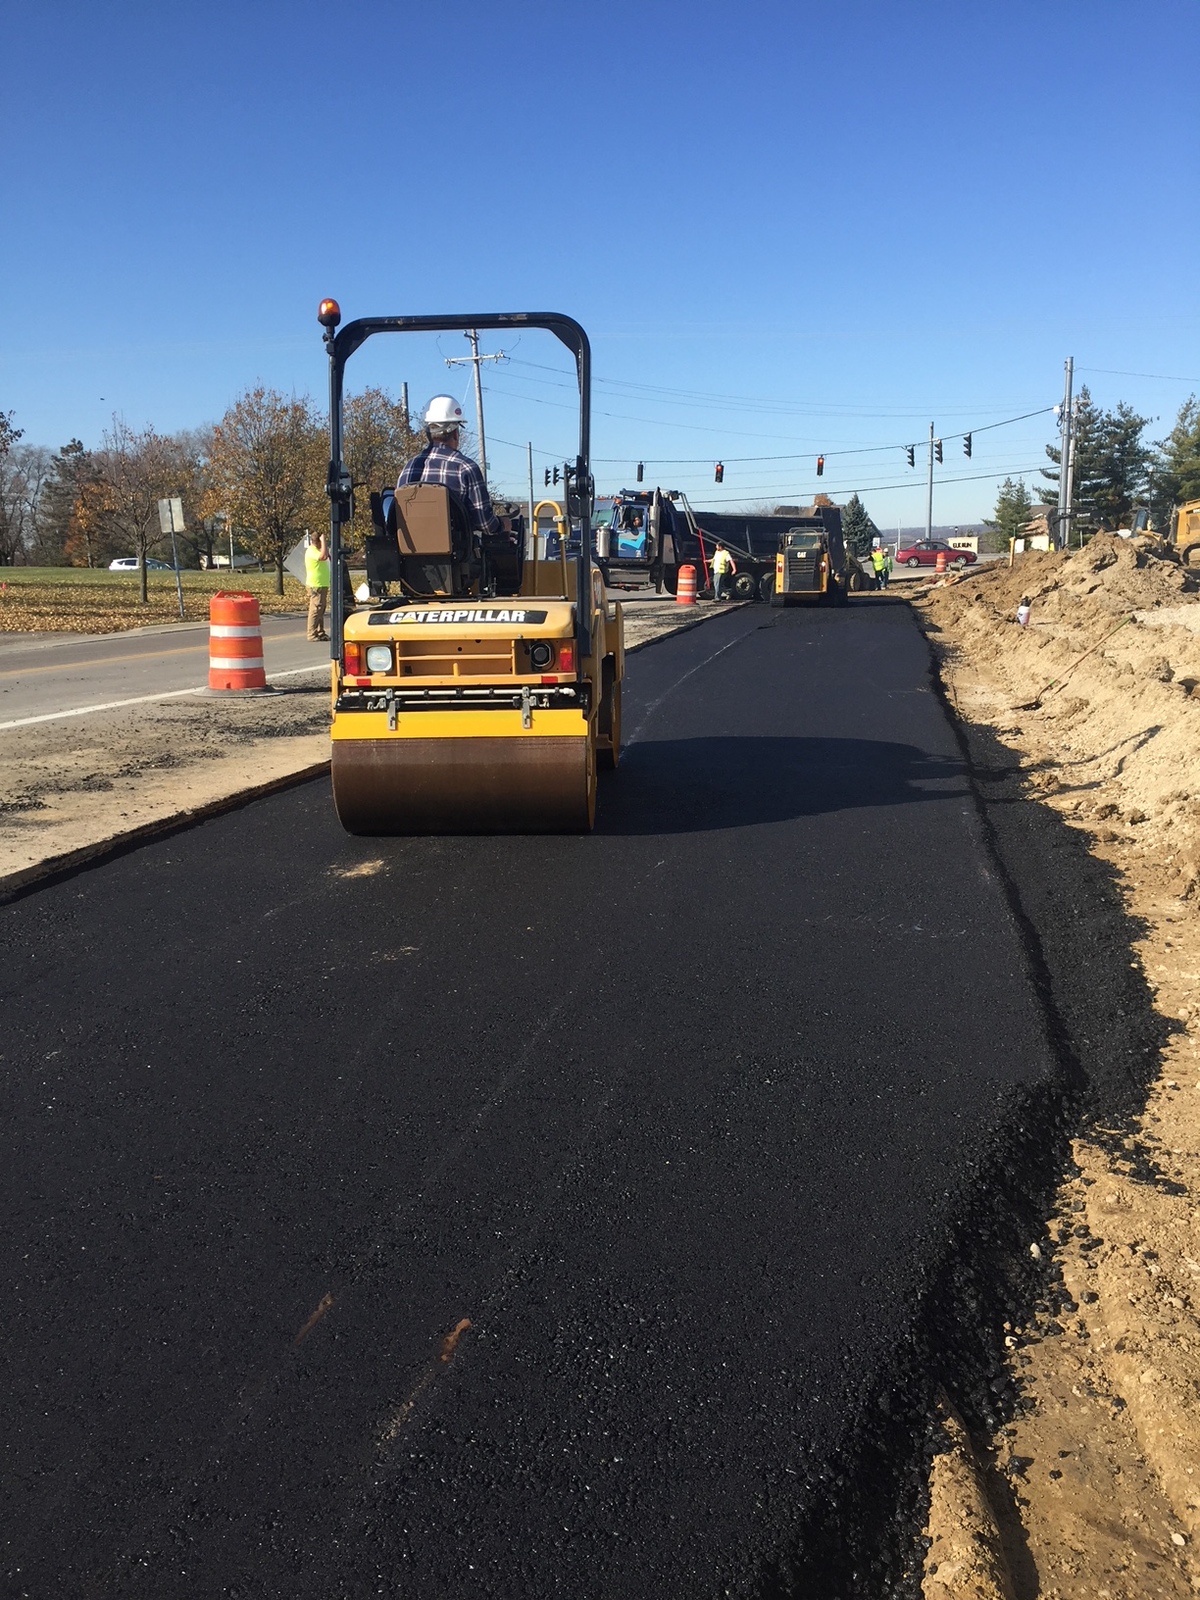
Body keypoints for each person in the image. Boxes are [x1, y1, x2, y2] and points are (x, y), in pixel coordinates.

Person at [396, 395, 506, 540]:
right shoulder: (465, 467)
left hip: (410, 559)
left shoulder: (409, 469)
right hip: (457, 558)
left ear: (428, 433)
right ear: (455, 433)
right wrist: (503, 524)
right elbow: (485, 523)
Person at [305, 529, 330, 641]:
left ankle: (320, 631)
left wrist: (324, 543)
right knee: (315, 609)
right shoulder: (312, 550)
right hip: (316, 584)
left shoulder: (317, 550)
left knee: (321, 609)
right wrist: (323, 540)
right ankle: (311, 633)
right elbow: (323, 556)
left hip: (322, 584)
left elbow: (327, 554)